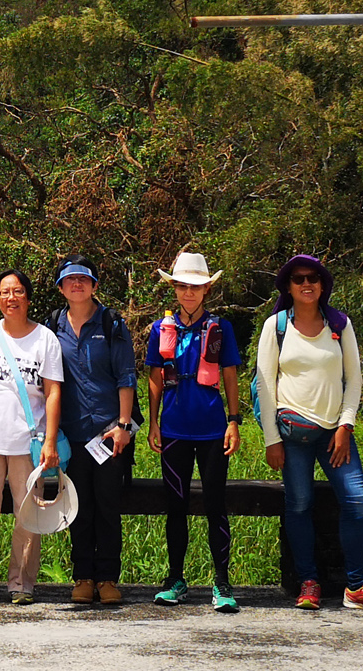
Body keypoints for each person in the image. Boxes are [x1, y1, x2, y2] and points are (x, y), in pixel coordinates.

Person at [256, 254, 363, 612]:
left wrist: (346, 424)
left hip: (335, 432)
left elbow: (354, 379)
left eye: (313, 278)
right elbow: (264, 384)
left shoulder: (339, 324)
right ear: (288, 286)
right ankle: (308, 582)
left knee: (356, 500)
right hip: (292, 435)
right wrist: (272, 440)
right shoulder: (276, 326)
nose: (307, 284)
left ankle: (357, 586)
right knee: (299, 503)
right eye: (299, 279)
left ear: (323, 285)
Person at [0, 268, 64, 607]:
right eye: (5, 292)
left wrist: (50, 440)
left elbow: (53, 392)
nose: (11, 298)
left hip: (28, 442)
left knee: (28, 515)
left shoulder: (45, 339)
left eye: (18, 291)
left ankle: (22, 584)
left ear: (28, 297)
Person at [147, 252, 242, 611]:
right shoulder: (161, 329)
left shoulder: (221, 327)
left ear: (206, 290)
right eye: (183, 286)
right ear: (174, 288)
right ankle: (175, 579)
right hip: (174, 428)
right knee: (176, 506)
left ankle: (222, 582)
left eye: (196, 287)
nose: (189, 293)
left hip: (212, 429)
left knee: (216, 505)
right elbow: (154, 377)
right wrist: (154, 422)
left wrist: (233, 420)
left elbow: (229, 373)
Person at [47, 255, 136, 606]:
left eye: (83, 279)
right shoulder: (53, 326)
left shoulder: (112, 324)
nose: (77, 284)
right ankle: (83, 576)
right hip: (71, 434)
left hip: (109, 433)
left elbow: (126, 376)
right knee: (78, 506)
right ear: (61, 288)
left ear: (95, 286)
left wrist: (124, 425)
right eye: (70, 280)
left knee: (108, 506)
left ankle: (108, 578)